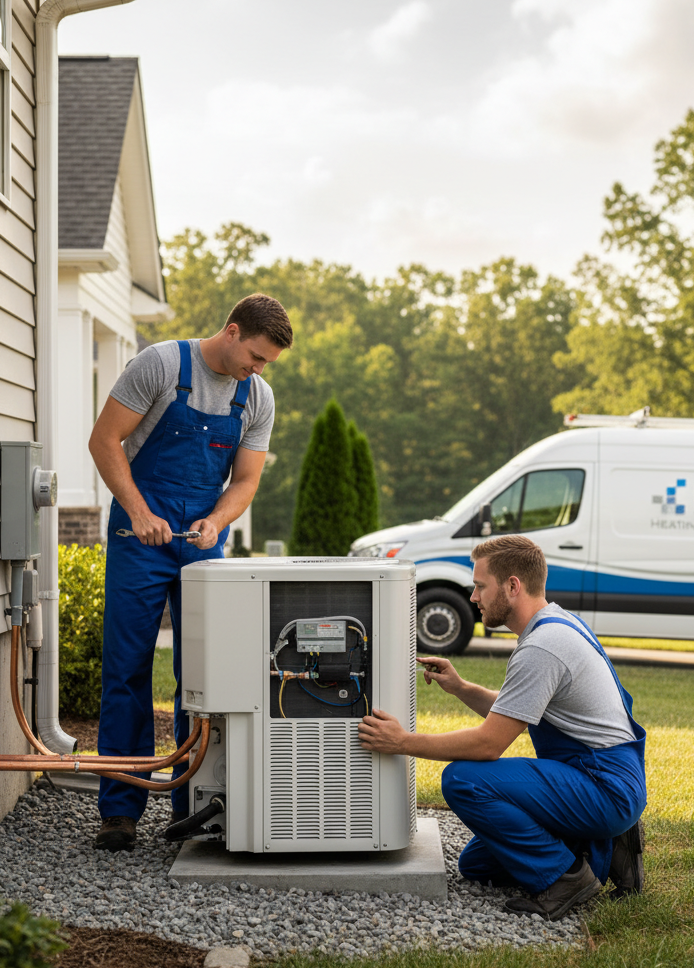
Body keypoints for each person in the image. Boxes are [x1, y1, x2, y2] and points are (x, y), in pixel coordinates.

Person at [88, 293, 293, 852]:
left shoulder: (257, 396)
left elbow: (245, 481)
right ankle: (120, 809)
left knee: (203, 675)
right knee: (127, 669)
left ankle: (192, 805)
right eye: (256, 356)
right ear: (232, 331)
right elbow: (104, 441)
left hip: (202, 540)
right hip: (139, 535)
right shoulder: (160, 364)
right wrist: (139, 511)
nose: (259, 369)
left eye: (267, 362)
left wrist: (217, 521)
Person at [358, 534, 646, 920]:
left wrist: (402, 742)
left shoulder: (543, 647)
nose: (473, 597)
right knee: (477, 865)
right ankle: (605, 846)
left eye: (480, 586)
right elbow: (516, 709)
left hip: (603, 785)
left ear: (512, 586)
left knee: (464, 780)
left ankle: (566, 878)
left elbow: (488, 745)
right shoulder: (556, 624)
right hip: (599, 778)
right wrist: (461, 687)